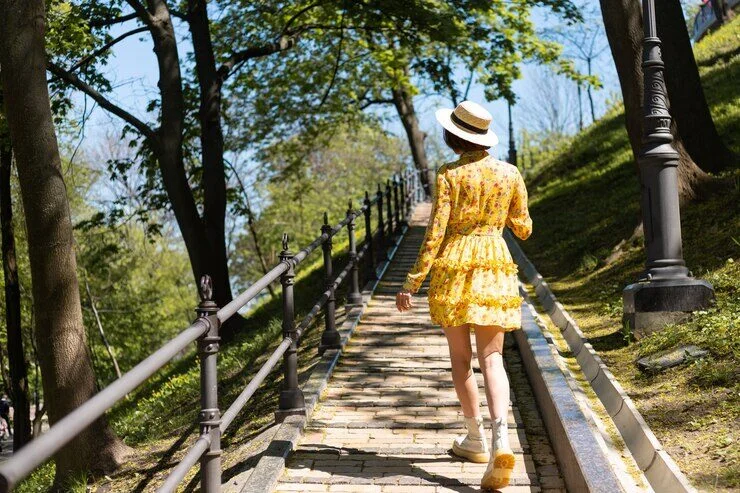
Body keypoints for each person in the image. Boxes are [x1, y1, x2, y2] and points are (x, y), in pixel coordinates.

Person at [395, 100, 532, 491]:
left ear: (453, 136)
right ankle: (501, 439)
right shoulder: (509, 173)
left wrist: (412, 282)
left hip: (454, 265)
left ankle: (474, 438)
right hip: (493, 263)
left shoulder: (448, 174)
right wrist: (502, 210)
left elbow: (435, 232)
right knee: (493, 358)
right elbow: (523, 228)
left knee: (461, 359)